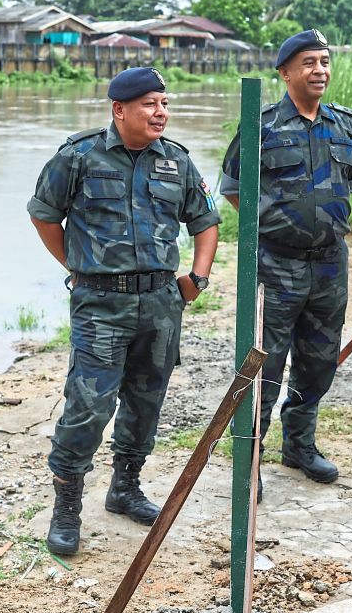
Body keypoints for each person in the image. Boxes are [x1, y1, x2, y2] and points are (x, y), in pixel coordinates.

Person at [26, 66, 220, 556]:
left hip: (160, 303)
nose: (161, 113)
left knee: (145, 400)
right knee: (89, 403)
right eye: (150, 104)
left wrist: (197, 278)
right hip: (101, 304)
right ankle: (67, 505)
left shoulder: (175, 161)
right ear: (120, 109)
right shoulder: (79, 155)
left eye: (165, 104)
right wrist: (75, 263)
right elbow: (43, 213)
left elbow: (206, 220)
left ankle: (125, 488)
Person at [219, 29, 352, 500]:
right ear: (285, 72)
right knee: (266, 365)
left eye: (324, 62)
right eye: (308, 63)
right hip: (276, 265)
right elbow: (235, 188)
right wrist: (277, 227)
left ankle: (299, 443)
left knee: (319, 362)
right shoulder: (259, 125)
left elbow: (348, 183)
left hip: (329, 266)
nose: (319, 71)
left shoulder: (344, 125)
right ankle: (252, 457)